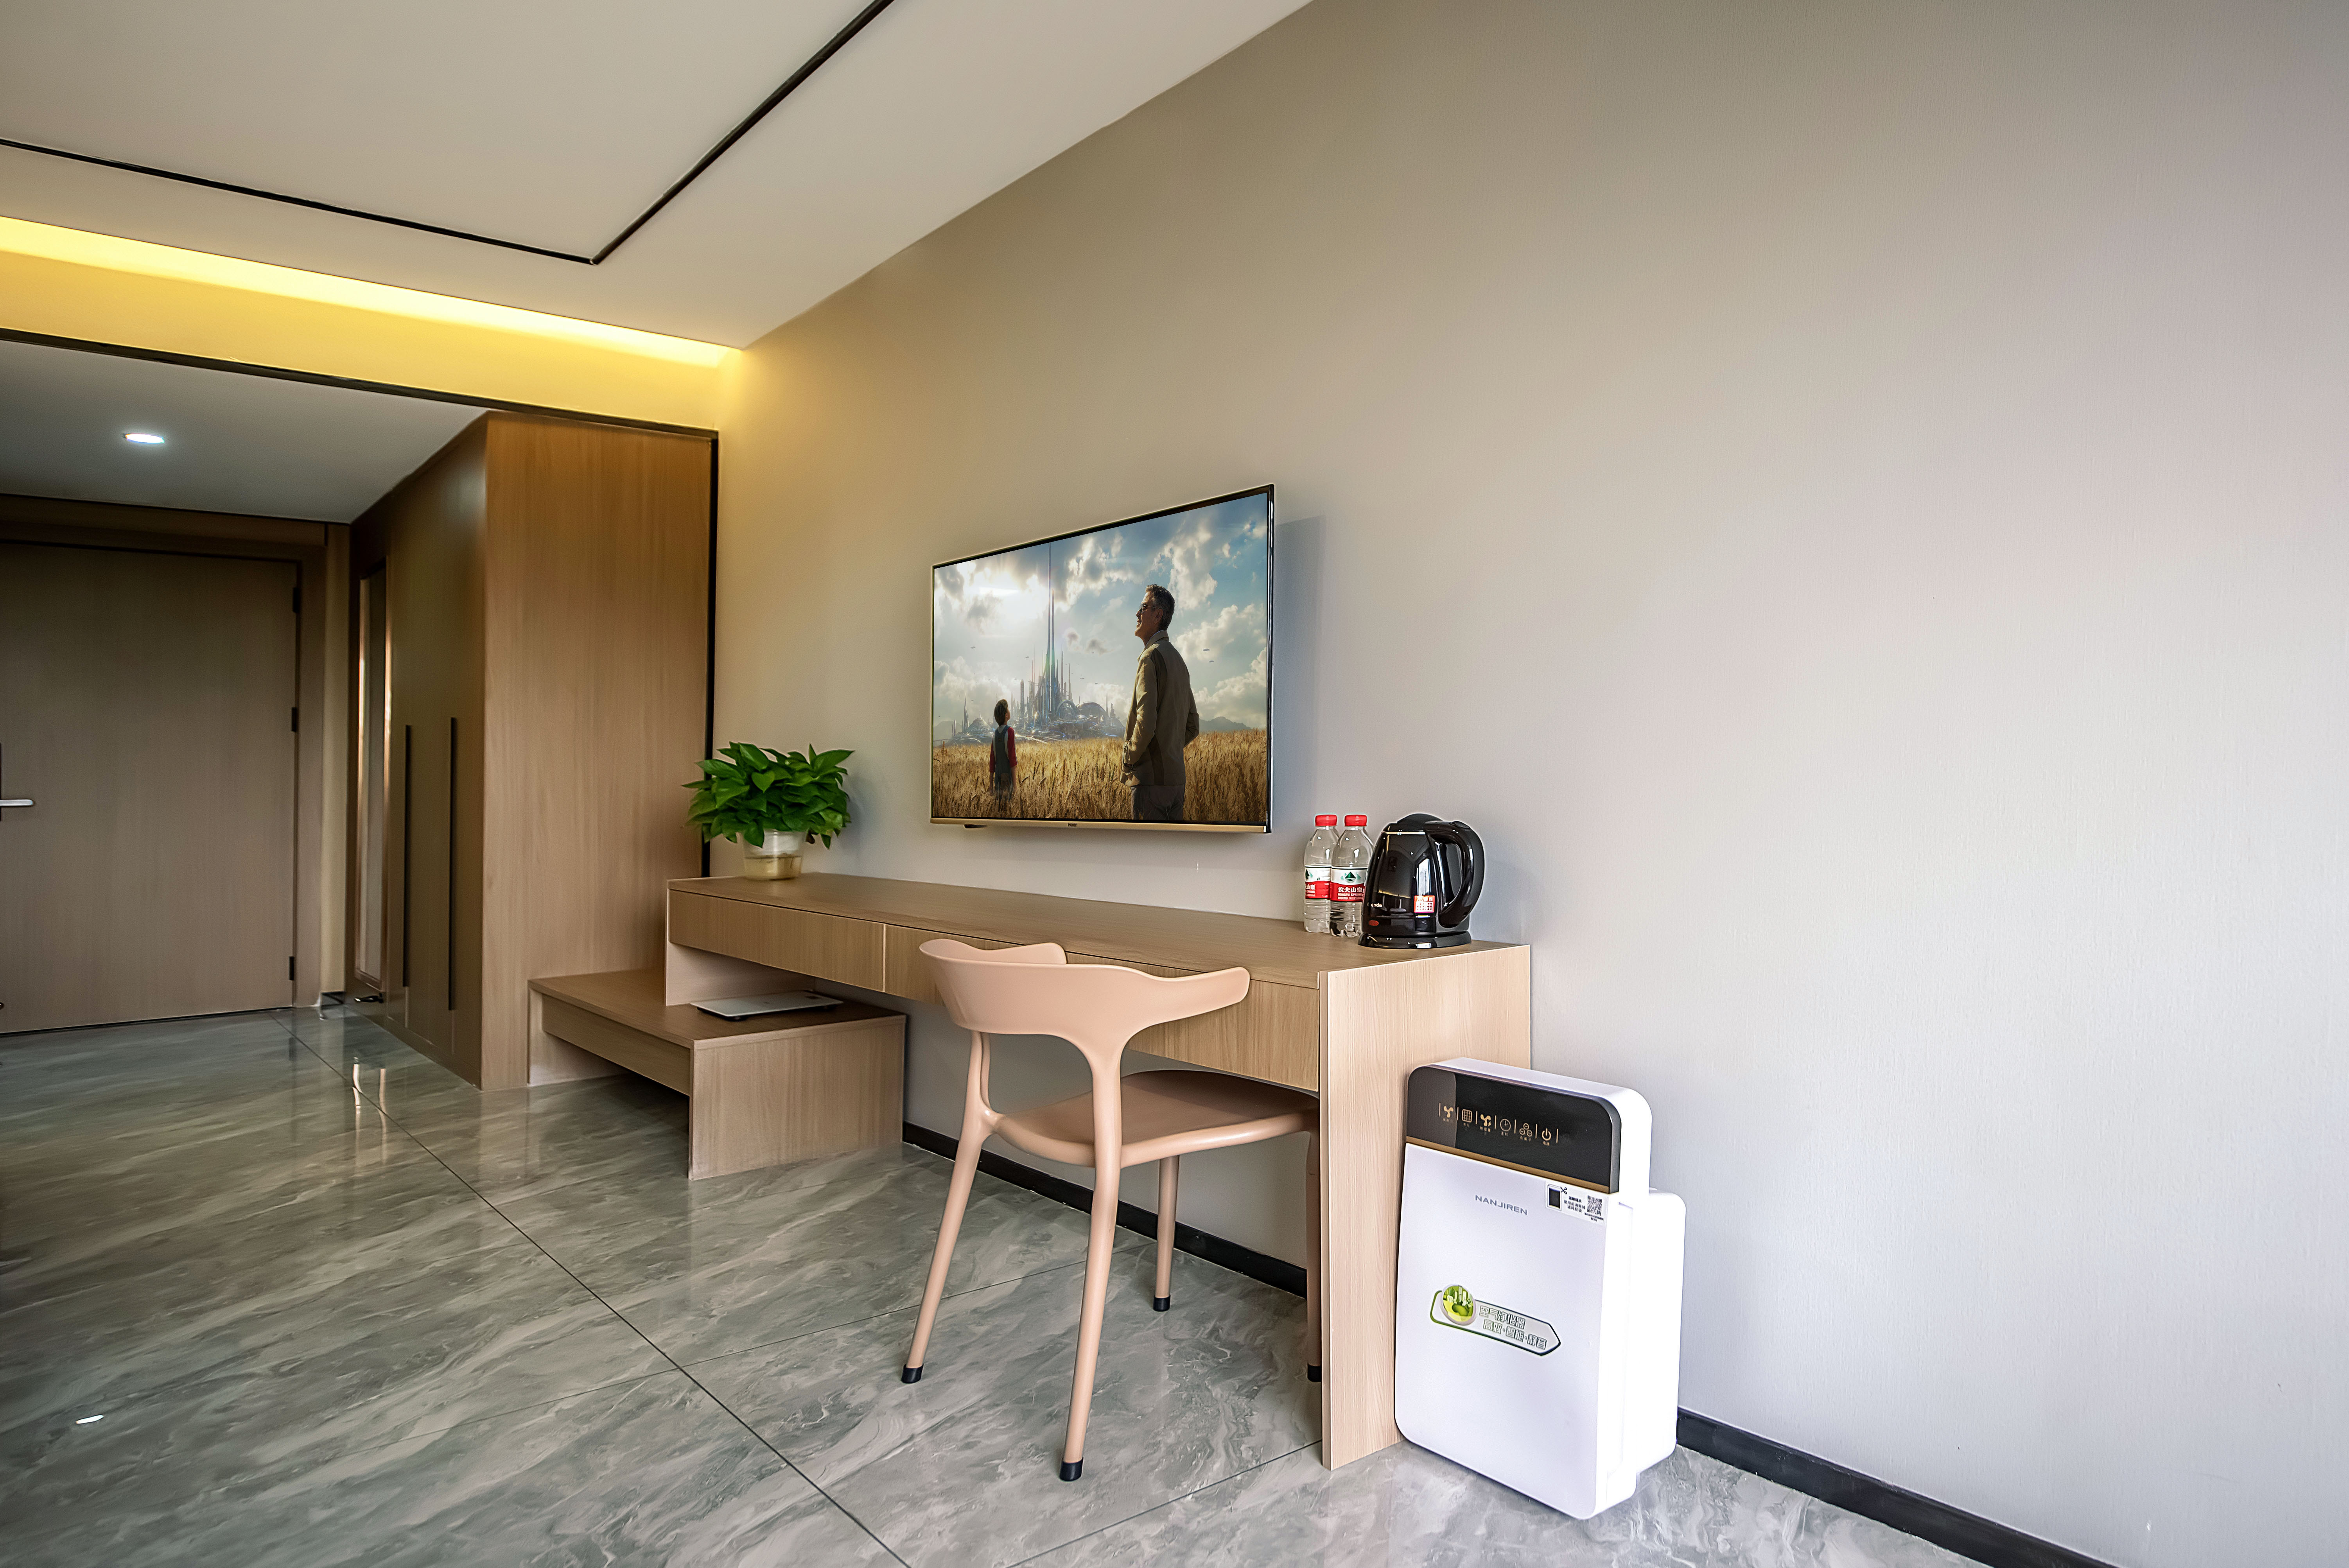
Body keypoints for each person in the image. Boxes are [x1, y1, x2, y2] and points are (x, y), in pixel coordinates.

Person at [1120, 583, 1199, 822]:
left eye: (1143, 607)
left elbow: (1145, 724)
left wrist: (1128, 757)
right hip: (1177, 784)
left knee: (1145, 846)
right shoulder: (1179, 661)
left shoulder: (1150, 657)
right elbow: (1193, 726)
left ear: (1157, 615)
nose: (1137, 613)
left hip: (1151, 784)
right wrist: (1168, 749)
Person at [988, 698, 1017, 805]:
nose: (1010, 711)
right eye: (1008, 709)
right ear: (1006, 715)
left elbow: (992, 761)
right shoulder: (1010, 731)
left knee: (999, 808)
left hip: (997, 780)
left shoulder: (995, 735)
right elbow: (1013, 759)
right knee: (1008, 807)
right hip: (1007, 779)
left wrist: (991, 786)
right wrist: (1015, 785)